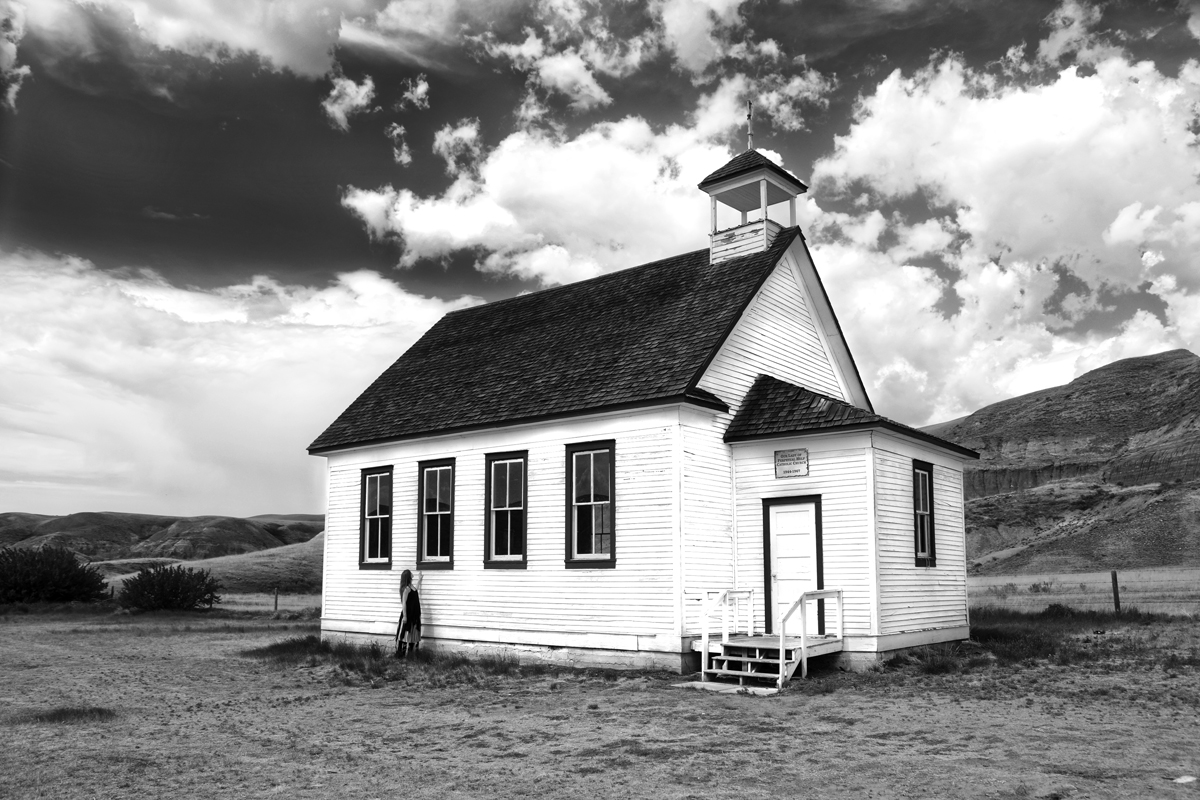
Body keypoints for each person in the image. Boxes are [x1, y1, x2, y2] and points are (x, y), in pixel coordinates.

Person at [395, 569, 421, 658]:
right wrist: (405, 616)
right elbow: (404, 603)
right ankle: (401, 653)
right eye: (411, 573)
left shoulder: (411, 586)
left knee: (412, 634)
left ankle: (410, 653)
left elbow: (415, 591)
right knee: (404, 633)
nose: (412, 573)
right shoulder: (406, 589)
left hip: (414, 615)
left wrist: (419, 580)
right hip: (408, 615)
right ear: (408, 576)